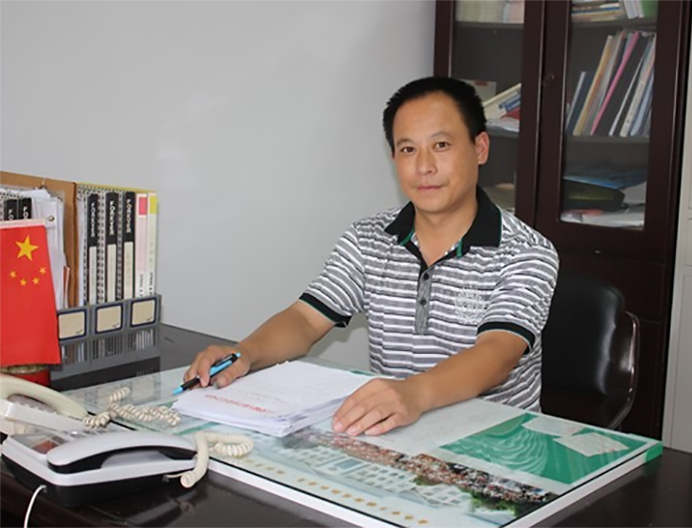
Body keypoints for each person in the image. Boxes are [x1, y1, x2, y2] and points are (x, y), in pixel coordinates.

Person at [184, 76, 559, 437]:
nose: (424, 166)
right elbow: (305, 319)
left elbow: (497, 355)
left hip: (498, 448)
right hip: (395, 435)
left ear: (480, 148)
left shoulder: (526, 252)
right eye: (408, 150)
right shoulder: (368, 239)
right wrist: (245, 353)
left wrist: (414, 393)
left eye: (441, 145)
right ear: (394, 157)